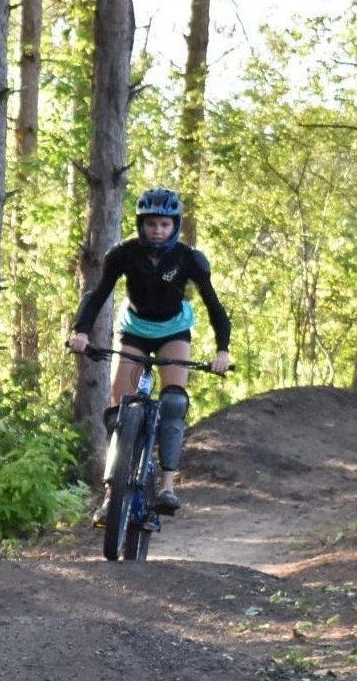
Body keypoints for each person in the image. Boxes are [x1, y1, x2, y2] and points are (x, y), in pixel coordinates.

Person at [66, 187, 232, 515]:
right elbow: (98, 295)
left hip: (173, 331)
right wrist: (80, 331)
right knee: (118, 412)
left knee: (172, 402)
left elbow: (215, 307)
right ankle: (112, 497)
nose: (158, 230)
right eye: (152, 224)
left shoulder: (189, 259)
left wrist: (222, 351)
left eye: (165, 225)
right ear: (142, 224)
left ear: (175, 225)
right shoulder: (123, 254)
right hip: (134, 332)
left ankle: (168, 488)